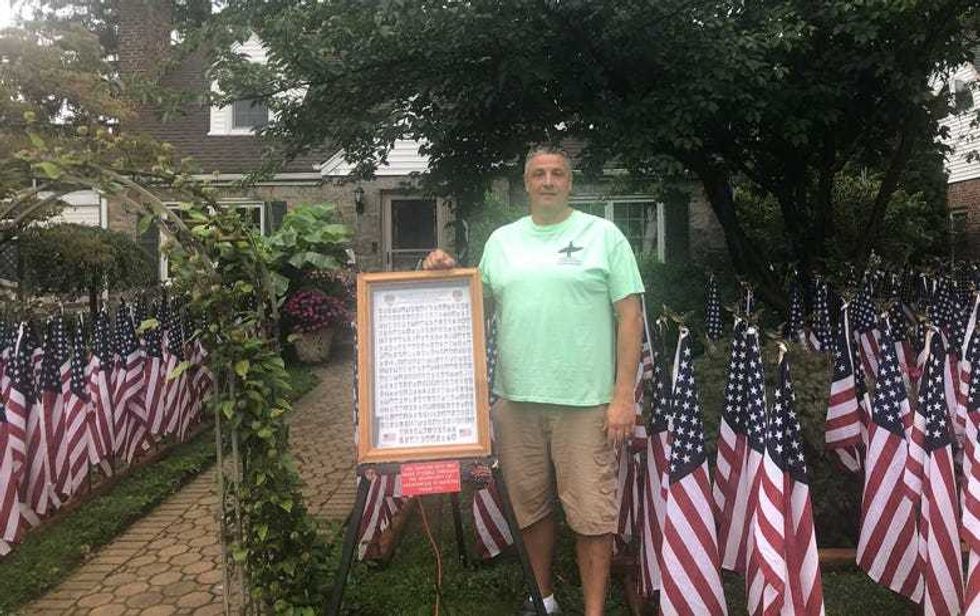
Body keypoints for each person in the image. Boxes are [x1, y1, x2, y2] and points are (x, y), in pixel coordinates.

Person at [424, 146, 644, 616]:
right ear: (525, 183)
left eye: (557, 173)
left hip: (585, 403)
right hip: (516, 400)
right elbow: (470, 303)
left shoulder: (603, 235)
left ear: (569, 181)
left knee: (591, 513)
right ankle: (541, 598)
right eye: (538, 174)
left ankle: (593, 609)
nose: (548, 181)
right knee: (529, 507)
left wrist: (623, 395)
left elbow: (630, 316)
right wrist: (442, 274)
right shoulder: (502, 241)